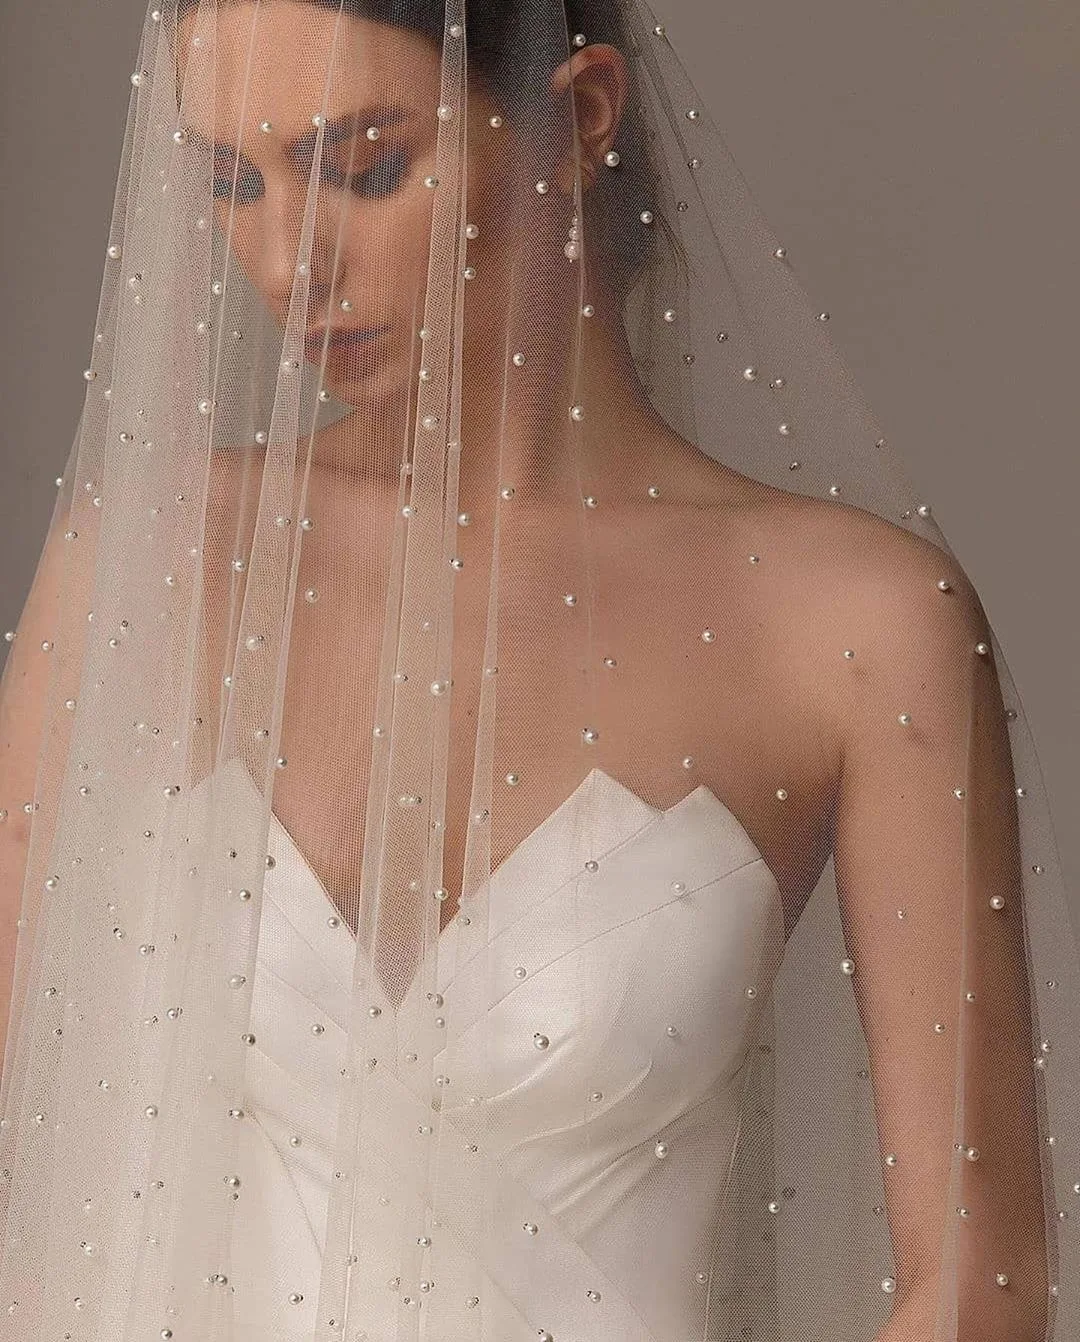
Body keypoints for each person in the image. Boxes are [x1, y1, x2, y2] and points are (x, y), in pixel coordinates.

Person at [0, 3, 1075, 1339]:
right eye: (233, 184)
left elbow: (979, 1281)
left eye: (365, 168)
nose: (285, 263)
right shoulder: (152, 557)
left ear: (578, 118)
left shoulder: (858, 627)